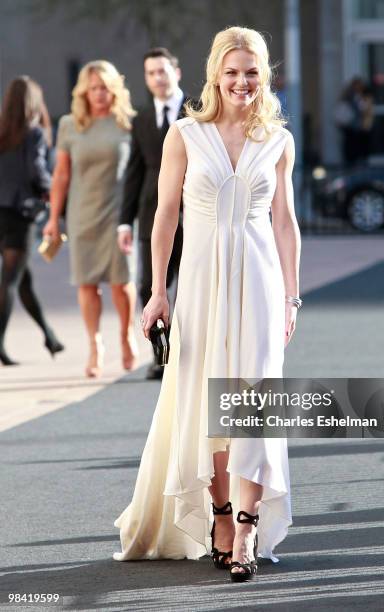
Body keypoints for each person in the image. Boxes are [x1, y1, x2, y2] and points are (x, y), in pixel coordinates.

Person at [113, 26, 301, 583]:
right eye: (232, 72)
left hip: (262, 287)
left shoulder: (279, 140)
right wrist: (157, 290)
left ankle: (247, 527)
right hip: (198, 285)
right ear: (215, 75)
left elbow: (286, 224)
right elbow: (164, 215)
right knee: (207, 406)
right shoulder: (184, 136)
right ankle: (219, 519)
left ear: (264, 76)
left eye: (252, 72)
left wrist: (292, 296)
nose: (242, 82)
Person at [43, 61, 137, 378]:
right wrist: (54, 218)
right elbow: (61, 175)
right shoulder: (71, 124)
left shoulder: (128, 123)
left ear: (114, 90)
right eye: (93, 88)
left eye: (105, 88)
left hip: (119, 212)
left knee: (121, 282)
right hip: (82, 214)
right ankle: (95, 345)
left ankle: (125, 335)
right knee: (86, 283)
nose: (99, 94)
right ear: (84, 92)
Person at [117, 47, 190, 380]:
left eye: (162, 71)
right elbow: (133, 172)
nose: (157, 78)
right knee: (151, 285)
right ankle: (162, 356)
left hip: (194, 211)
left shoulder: (198, 111)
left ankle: (191, 350)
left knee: (188, 284)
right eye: (151, 73)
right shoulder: (142, 120)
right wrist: (124, 221)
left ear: (176, 72)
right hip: (151, 212)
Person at [0, 76, 64, 366]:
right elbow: (36, 171)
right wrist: (52, 189)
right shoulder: (34, 133)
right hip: (18, 215)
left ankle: (48, 335)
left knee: (23, 280)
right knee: (11, 281)